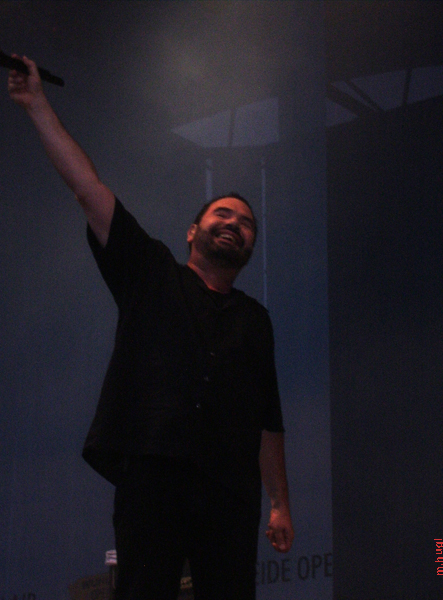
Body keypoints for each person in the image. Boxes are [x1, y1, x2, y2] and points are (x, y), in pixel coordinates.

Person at [8, 56, 294, 600]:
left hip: (230, 489)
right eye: (223, 214)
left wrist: (280, 503)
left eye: (246, 223)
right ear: (192, 231)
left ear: (251, 246)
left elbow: (268, 419)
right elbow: (88, 190)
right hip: (154, 473)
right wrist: (37, 105)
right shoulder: (151, 272)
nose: (234, 223)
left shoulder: (255, 320)